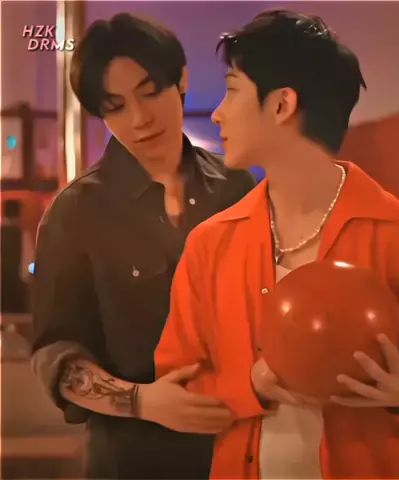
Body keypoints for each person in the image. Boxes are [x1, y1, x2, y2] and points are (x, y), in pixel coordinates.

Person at [152, 10, 399, 479]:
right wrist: (249, 386)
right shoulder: (210, 243)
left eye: (232, 90)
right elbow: (175, 382)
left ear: (282, 105)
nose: (217, 112)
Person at [31, 13, 255, 479]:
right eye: (116, 107)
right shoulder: (76, 211)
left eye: (149, 92)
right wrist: (142, 401)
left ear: (181, 79)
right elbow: (54, 351)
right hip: (130, 459)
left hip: (239, 448)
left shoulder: (236, 186)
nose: (139, 119)